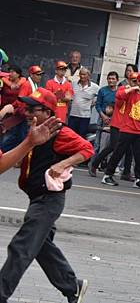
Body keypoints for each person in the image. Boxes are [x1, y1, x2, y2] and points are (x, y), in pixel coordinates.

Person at [0, 87, 94, 303]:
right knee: (41, 246)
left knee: (21, 246)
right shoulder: (32, 129)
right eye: (27, 108)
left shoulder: (59, 133)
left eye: (33, 109)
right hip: (37, 199)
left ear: (48, 113)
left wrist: (63, 163)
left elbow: (87, 149)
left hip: (49, 200)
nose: (27, 113)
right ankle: (73, 286)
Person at [0, 66, 29, 151]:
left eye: (13, 72)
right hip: (4, 111)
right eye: (10, 72)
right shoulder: (4, 81)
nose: (10, 74)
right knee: (3, 132)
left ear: (18, 74)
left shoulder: (23, 83)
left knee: (14, 134)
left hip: (16, 111)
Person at [92, 71, 118, 157]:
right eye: (109, 79)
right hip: (102, 117)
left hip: (114, 119)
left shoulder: (119, 93)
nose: (111, 80)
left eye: (113, 79)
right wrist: (103, 116)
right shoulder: (102, 90)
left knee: (112, 143)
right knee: (97, 143)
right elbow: (98, 104)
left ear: (117, 80)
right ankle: (93, 163)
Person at [68, 67, 99, 138]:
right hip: (73, 115)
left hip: (85, 117)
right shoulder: (74, 84)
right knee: (70, 136)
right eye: (81, 74)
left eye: (84, 74)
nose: (82, 76)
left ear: (88, 75)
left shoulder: (95, 87)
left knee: (80, 137)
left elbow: (100, 96)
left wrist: (94, 102)